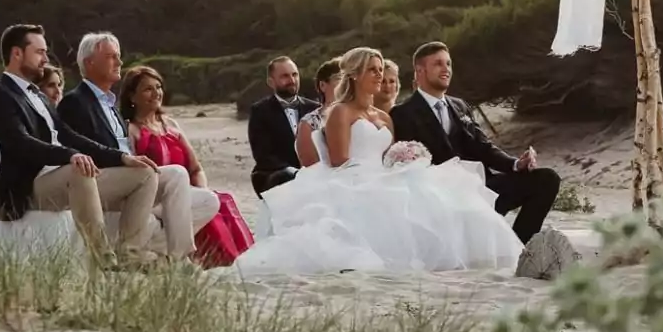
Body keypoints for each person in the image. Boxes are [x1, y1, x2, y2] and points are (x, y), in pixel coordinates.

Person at [218, 47, 523, 276]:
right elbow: (338, 161)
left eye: (381, 70)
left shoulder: (383, 117)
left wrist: (403, 161)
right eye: (373, 70)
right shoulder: (341, 112)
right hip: (349, 178)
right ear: (354, 75)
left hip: (382, 174)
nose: (380, 76)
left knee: (449, 195)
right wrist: (381, 176)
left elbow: (386, 156)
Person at [0, 23, 160, 269]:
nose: (46, 58)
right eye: (39, 52)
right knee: (79, 169)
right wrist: (71, 155)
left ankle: (130, 253)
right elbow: (20, 143)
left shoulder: (39, 96)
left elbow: (68, 135)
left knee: (145, 173)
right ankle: (104, 259)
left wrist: (121, 158)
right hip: (29, 185)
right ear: (16, 54)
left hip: (64, 178)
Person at [58, 32, 219, 261]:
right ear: (90, 63)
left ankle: (177, 254)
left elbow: (194, 167)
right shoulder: (75, 102)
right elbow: (74, 144)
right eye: (111, 57)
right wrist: (121, 159)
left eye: (119, 56)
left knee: (201, 195)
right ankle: (146, 252)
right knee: (168, 176)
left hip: (131, 179)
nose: (119, 63)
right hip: (102, 179)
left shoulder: (110, 105)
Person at [392, 41, 561, 244]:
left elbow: (483, 147)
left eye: (449, 63)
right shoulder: (403, 113)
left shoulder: (460, 105)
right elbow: (410, 167)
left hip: (482, 187)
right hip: (443, 196)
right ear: (420, 71)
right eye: (438, 64)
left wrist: (515, 164)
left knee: (547, 179)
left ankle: (520, 247)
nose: (446, 69)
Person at [121, 65, 254, 268]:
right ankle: (175, 254)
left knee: (217, 200)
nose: (156, 93)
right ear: (132, 96)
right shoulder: (131, 129)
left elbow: (195, 169)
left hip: (184, 194)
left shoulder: (171, 125)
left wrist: (201, 189)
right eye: (148, 89)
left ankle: (206, 258)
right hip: (153, 197)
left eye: (159, 87)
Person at [246, 57, 320, 196]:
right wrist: (295, 172)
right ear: (271, 82)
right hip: (276, 174)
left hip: (313, 171)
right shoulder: (260, 111)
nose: (292, 80)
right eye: (285, 76)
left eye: (294, 74)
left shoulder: (315, 108)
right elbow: (263, 155)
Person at [295, 57, 342, 167]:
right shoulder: (309, 122)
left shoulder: (360, 115)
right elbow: (310, 165)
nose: (345, 83)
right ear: (322, 85)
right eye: (339, 78)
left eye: (348, 78)